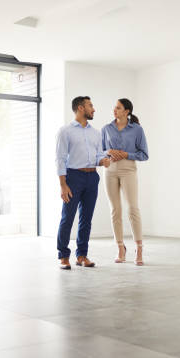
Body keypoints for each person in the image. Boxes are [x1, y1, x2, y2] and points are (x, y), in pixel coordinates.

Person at [55, 96, 110, 270]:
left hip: (92, 177)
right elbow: (60, 159)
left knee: (86, 219)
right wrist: (63, 185)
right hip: (73, 178)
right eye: (90, 105)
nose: (93, 109)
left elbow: (99, 154)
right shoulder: (65, 131)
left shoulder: (96, 133)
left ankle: (82, 255)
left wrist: (103, 161)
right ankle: (63, 256)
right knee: (68, 218)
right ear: (80, 108)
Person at [101, 98, 148, 265]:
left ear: (127, 111)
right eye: (114, 107)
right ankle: (120, 247)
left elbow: (144, 154)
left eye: (118, 108)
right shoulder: (106, 129)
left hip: (128, 170)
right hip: (110, 171)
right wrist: (109, 151)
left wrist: (127, 154)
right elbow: (100, 152)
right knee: (115, 210)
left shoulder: (137, 130)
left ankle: (139, 247)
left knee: (133, 208)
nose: (114, 110)